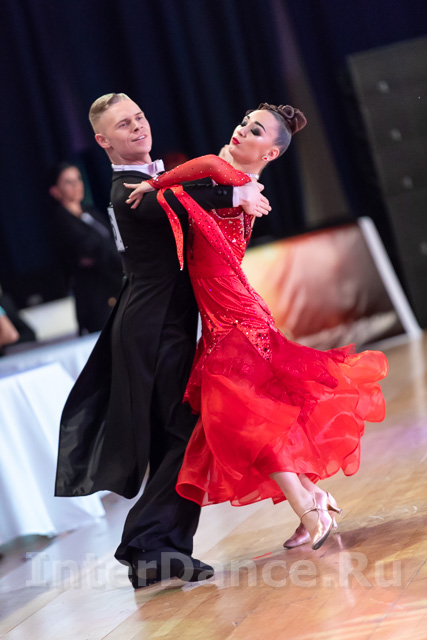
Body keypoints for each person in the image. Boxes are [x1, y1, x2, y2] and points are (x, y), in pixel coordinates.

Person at [125, 103, 389, 551]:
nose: (242, 130)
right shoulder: (232, 184)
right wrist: (167, 186)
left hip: (235, 316)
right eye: (245, 122)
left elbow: (203, 166)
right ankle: (313, 497)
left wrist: (153, 183)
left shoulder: (233, 179)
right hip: (225, 312)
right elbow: (200, 180)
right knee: (258, 413)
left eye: (256, 131)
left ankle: (307, 506)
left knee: (243, 414)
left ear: (270, 153)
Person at [55, 93, 270, 588]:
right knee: (189, 432)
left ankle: (155, 549)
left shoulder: (155, 179)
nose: (137, 127)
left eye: (139, 117)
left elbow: (184, 187)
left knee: (182, 435)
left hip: (158, 324)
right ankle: (148, 544)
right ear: (103, 141)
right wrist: (234, 196)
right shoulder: (128, 191)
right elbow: (172, 201)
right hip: (151, 329)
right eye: (123, 125)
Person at [49, 162, 124, 334]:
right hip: (95, 297)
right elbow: (86, 253)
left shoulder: (90, 212)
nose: (76, 185)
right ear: (55, 191)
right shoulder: (61, 221)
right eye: (68, 182)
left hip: (116, 284)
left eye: (78, 179)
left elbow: (113, 240)